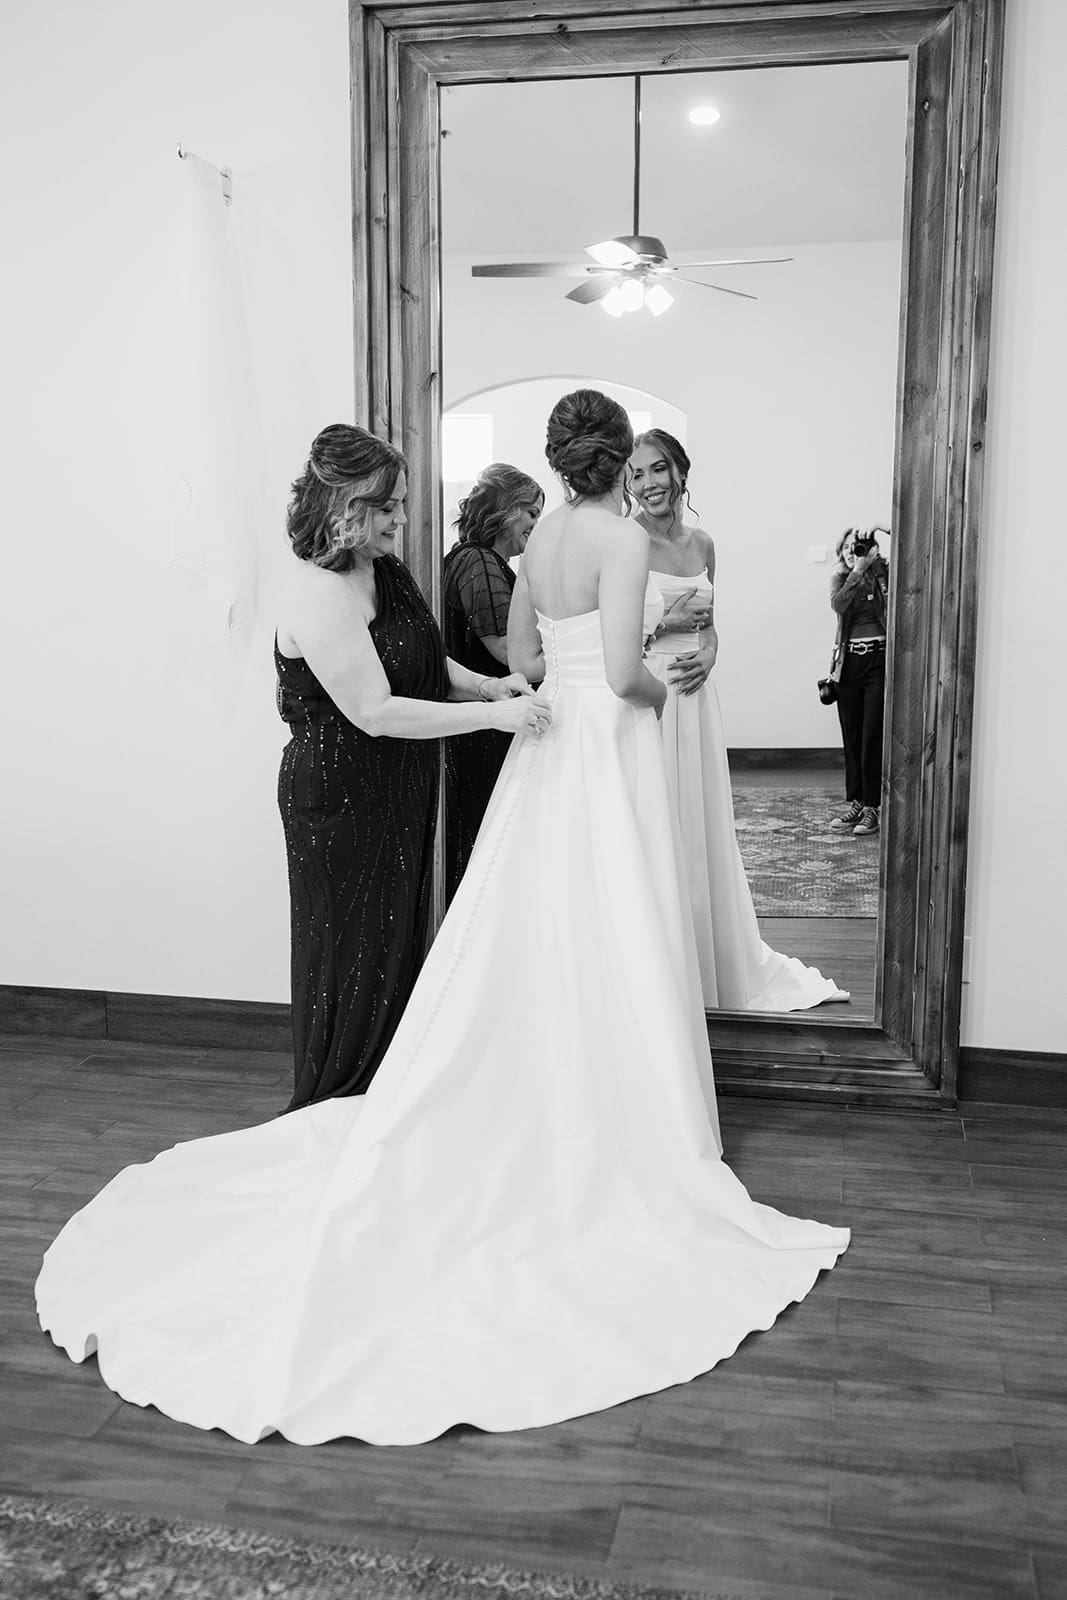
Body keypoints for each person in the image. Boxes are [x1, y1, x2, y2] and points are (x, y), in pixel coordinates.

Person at [35, 392, 848, 1448]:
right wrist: (605, 694)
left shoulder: (505, 543)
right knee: (516, 928)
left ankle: (506, 1072)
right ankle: (478, 1088)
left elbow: (489, 653)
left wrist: (512, 692)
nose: (400, 519)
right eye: (384, 506)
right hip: (461, 763)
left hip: (505, 747)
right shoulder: (403, 579)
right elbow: (445, 694)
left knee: (497, 924)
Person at [275, 425, 545, 1111]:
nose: (401, 517)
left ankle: (387, 1092)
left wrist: (486, 688)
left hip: (396, 789)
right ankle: (338, 1096)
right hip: (337, 801)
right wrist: (490, 719)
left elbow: (423, 661)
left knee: (394, 944)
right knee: (350, 952)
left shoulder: (385, 570)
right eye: (388, 504)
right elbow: (375, 710)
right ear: (347, 505)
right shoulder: (317, 593)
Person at [630, 428, 848, 1012]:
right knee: (655, 824)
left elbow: (705, 622)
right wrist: (659, 649)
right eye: (635, 474)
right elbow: (618, 633)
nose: (647, 483)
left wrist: (711, 650)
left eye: (657, 469)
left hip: (696, 698)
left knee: (698, 825)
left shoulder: (703, 544)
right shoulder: (624, 544)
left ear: (679, 472)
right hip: (648, 695)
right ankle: (659, 966)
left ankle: (708, 955)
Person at [442, 463, 544, 897]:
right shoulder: (480, 563)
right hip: (482, 727)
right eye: (532, 513)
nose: (536, 526)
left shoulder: (482, 563)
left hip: (485, 721)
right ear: (506, 511)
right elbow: (509, 654)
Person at [828, 526, 890, 837]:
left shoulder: (883, 574)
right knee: (851, 736)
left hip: (878, 661)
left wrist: (885, 528)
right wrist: (856, 572)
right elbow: (838, 605)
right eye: (850, 547)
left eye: (861, 547)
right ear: (842, 552)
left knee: (871, 737)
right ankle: (855, 802)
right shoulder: (841, 578)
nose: (855, 551)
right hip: (849, 664)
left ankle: (871, 808)